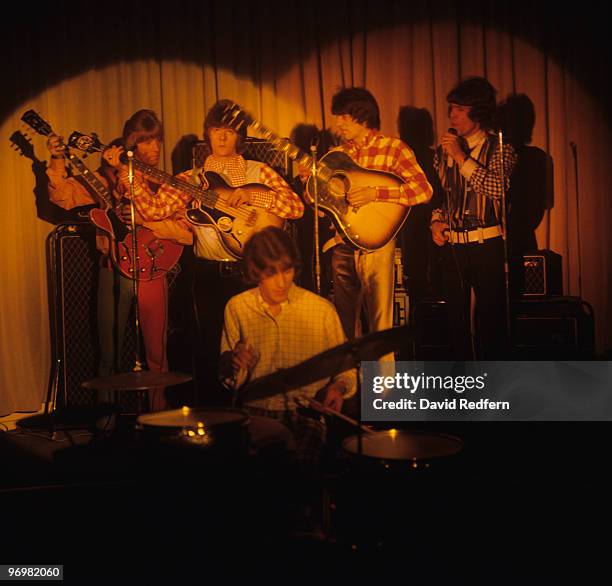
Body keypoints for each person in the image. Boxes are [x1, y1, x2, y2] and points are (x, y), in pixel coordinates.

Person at [114, 100, 304, 405]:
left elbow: (295, 208)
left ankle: (257, 414)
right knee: (210, 350)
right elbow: (155, 208)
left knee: (256, 349)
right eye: (216, 130)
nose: (222, 137)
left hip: (251, 274)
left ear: (239, 135)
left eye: (229, 131)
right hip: (208, 276)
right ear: (208, 133)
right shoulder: (191, 178)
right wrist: (129, 177)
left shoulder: (260, 171)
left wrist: (252, 195)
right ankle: (215, 420)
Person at [48, 109, 191, 411]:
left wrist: (152, 224)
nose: (154, 149)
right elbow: (62, 197)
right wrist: (58, 159)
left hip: (152, 270)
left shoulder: (164, 184)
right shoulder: (103, 179)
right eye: (146, 142)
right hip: (111, 268)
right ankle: (108, 421)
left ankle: (158, 418)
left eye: (157, 142)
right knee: (108, 354)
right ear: (131, 147)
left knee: (156, 353)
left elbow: (186, 232)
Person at [219, 226, 356, 535]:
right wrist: (232, 364)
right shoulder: (237, 308)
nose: (282, 281)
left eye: (288, 270)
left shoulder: (321, 311)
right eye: (271, 273)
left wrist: (338, 387)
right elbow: (227, 379)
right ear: (256, 273)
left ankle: (302, 535)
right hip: (252, 414)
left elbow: (347, 368)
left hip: (303, 415)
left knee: (298, 468)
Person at [328, 87, 433, 351]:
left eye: (343, 117)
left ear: (362, 117)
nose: (337, 123)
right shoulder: (338, 154)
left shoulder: (394, 149)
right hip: (342, 242)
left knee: (380, 322)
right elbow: (321, 205)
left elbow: (423, 190)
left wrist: (375, 193)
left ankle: (383, 389)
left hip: (377, 244)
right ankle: (348, 386)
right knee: (344, 324)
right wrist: (314, 187)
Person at [429, 77, 518, 359]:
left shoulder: (501, 147)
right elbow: (443, 196)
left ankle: (494, 388)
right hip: (455, 245)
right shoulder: (443, 153)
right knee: (456, 322)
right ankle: (463, 388)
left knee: (490, 321)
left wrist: (459, 156)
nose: (451, 115)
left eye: (459, 109)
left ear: (477, 113)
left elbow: (495, 188)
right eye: (451, 108)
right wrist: (436, 221)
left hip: (487, 244)